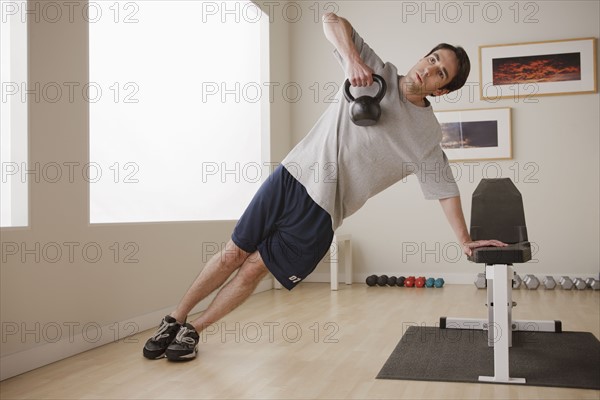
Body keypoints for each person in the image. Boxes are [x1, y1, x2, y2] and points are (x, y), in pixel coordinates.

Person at [143, 13, 506, 361]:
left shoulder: (425, 135)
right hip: (292, 174)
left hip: (323, 211)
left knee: (254, 268)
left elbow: (445, 188)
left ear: (441, 90)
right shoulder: (378, 71)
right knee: (232, 254)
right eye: (432, 58)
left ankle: (195, 329)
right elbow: (331, 19)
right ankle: (174, 318)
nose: (428, 68)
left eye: (439, 72)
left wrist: (463, 239)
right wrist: (351, 61)